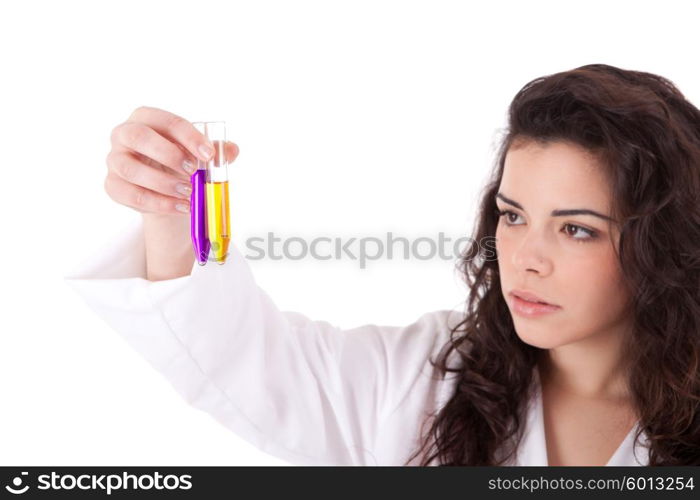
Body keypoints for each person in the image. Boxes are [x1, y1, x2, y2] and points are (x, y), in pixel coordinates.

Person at [64, 63, 700, 466]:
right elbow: (243, 361)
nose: (526, 259)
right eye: (512, 216)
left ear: (665, 243)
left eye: (577, 229)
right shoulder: (424, 382)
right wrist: (173, 212)